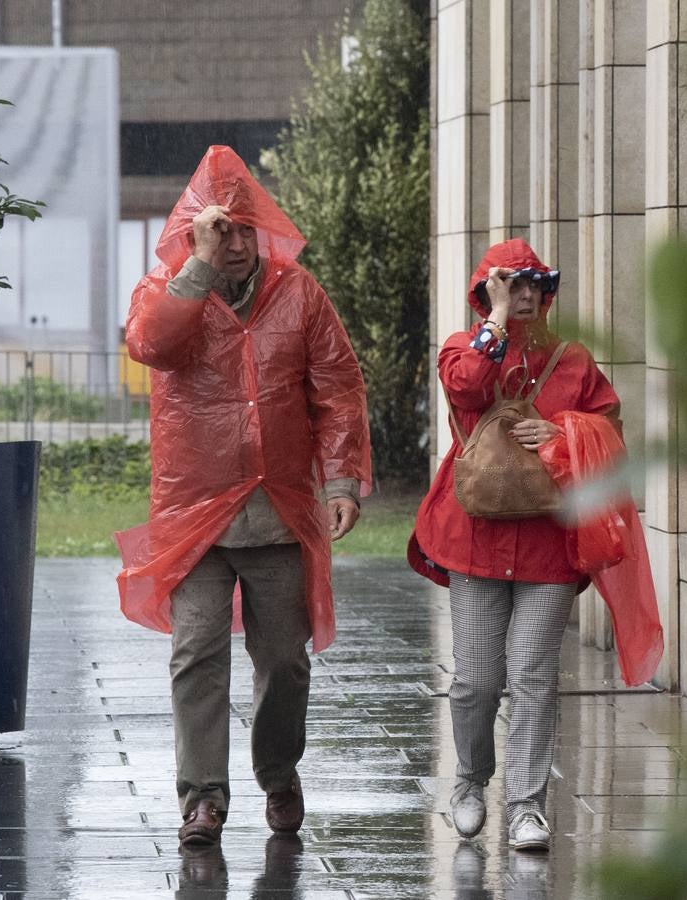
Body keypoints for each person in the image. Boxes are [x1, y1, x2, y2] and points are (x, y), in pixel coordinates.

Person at [115, 145, 372, 848]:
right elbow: (151, 345)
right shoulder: (165, 289)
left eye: (241, 227)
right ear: (194, 233)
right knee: (196, 652)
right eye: (217, 228)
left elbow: (338, 388)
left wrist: (343, 479)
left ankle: (277, 772)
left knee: (285, 659)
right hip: (196, 513)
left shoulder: (300, 294)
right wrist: (193, 271)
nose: (233, 242)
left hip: (280, 508)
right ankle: (202, 797)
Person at [407, 238, 623, 853]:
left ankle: (527, 805)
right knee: (475, 678)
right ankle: (471, 783)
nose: (525, 293)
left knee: (532, 676)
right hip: (474, 538)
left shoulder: (575, 361)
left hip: (551, 545)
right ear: (485, 292)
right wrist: (495, 323)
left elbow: (610, 429)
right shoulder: (464, 347)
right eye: (510, 283)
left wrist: (564, 431)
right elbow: (467, 389)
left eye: (535, 284)